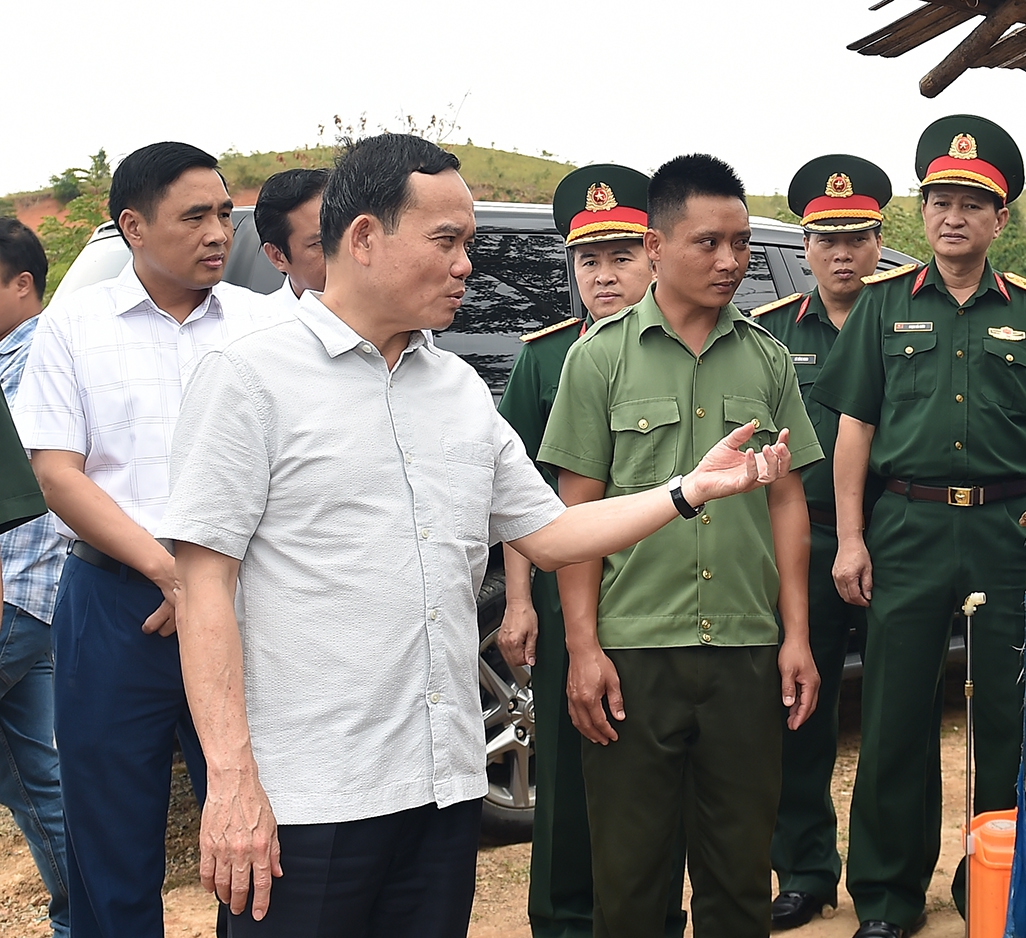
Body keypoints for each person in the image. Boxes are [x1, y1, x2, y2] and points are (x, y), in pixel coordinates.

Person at [160, 134, 794, 938]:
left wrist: (686, 491)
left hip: (441, 789)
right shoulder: (249, 378)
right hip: (308, 804)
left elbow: (556, 533)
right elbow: (204, 583)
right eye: (447, 241)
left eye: (471, 244)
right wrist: (229, 781)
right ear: (363, 238)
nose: (468, 266)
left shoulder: (456, 390)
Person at [537, 153, 823, 938]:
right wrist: (585, 648)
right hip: (636, 655)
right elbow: (575, 516)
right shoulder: (599, 358)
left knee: (738, 879)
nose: (730, 261)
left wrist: (796, 635)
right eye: (708, 243)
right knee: (629, 882)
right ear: (656, 246)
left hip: (743, 651)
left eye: (739, 241)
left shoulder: (766, 356)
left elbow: (789, 500)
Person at [14, 141, 266, 938]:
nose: (218, 232)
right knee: (111, 838)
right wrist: (170, 574)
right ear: (132, 226)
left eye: (224, 213)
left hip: (245, 598)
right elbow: (58, 474)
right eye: (194, 216)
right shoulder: (74, 328)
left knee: (255, 830)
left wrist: (200, 587)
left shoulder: (269, 325)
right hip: (116, 604)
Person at [810, 115, 1026, 938]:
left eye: (972, 204)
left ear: (1000, 219)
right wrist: (849, 538)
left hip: (1009, 528)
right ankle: (886, 895)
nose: (954, 216)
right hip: (905, 525)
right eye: (940, 200)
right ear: (923, 213)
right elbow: (854, 432)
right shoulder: (880, 309)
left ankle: (1000, 881)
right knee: (895, 715)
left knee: (1008, 719)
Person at [495, 164, 685, 938]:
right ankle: (565, 916)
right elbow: (514, 497)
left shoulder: (687, 350)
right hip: (566, 578)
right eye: (587, 260)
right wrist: (515, 601)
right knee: (571, 765)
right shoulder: (545, 359)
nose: (603, 277)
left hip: (659, 588)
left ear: (654, 254)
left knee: (656, 760)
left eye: (619, 258)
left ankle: (642, 916)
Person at [748, 154, 891, 930]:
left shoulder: (907, 318)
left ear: (880, 241)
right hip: (800, 545)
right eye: (826, 237)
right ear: (804, 246)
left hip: (897, 537)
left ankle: (887, 876)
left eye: (858, 237)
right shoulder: (770, 337)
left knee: (899, 714)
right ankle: (804, 868)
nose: (842, 252)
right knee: (799, 709)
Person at [0, 217, 69, 937]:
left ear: (23, 284)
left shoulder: (34, 357)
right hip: (35, 597)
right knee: (37, 778)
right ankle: (83, 920)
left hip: (14, 590)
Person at [253, 167, 329, 313]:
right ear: (277, 256)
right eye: (320, 243)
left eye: (350, 236)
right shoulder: (262, 330)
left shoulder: (383, 313)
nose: (346, 251)